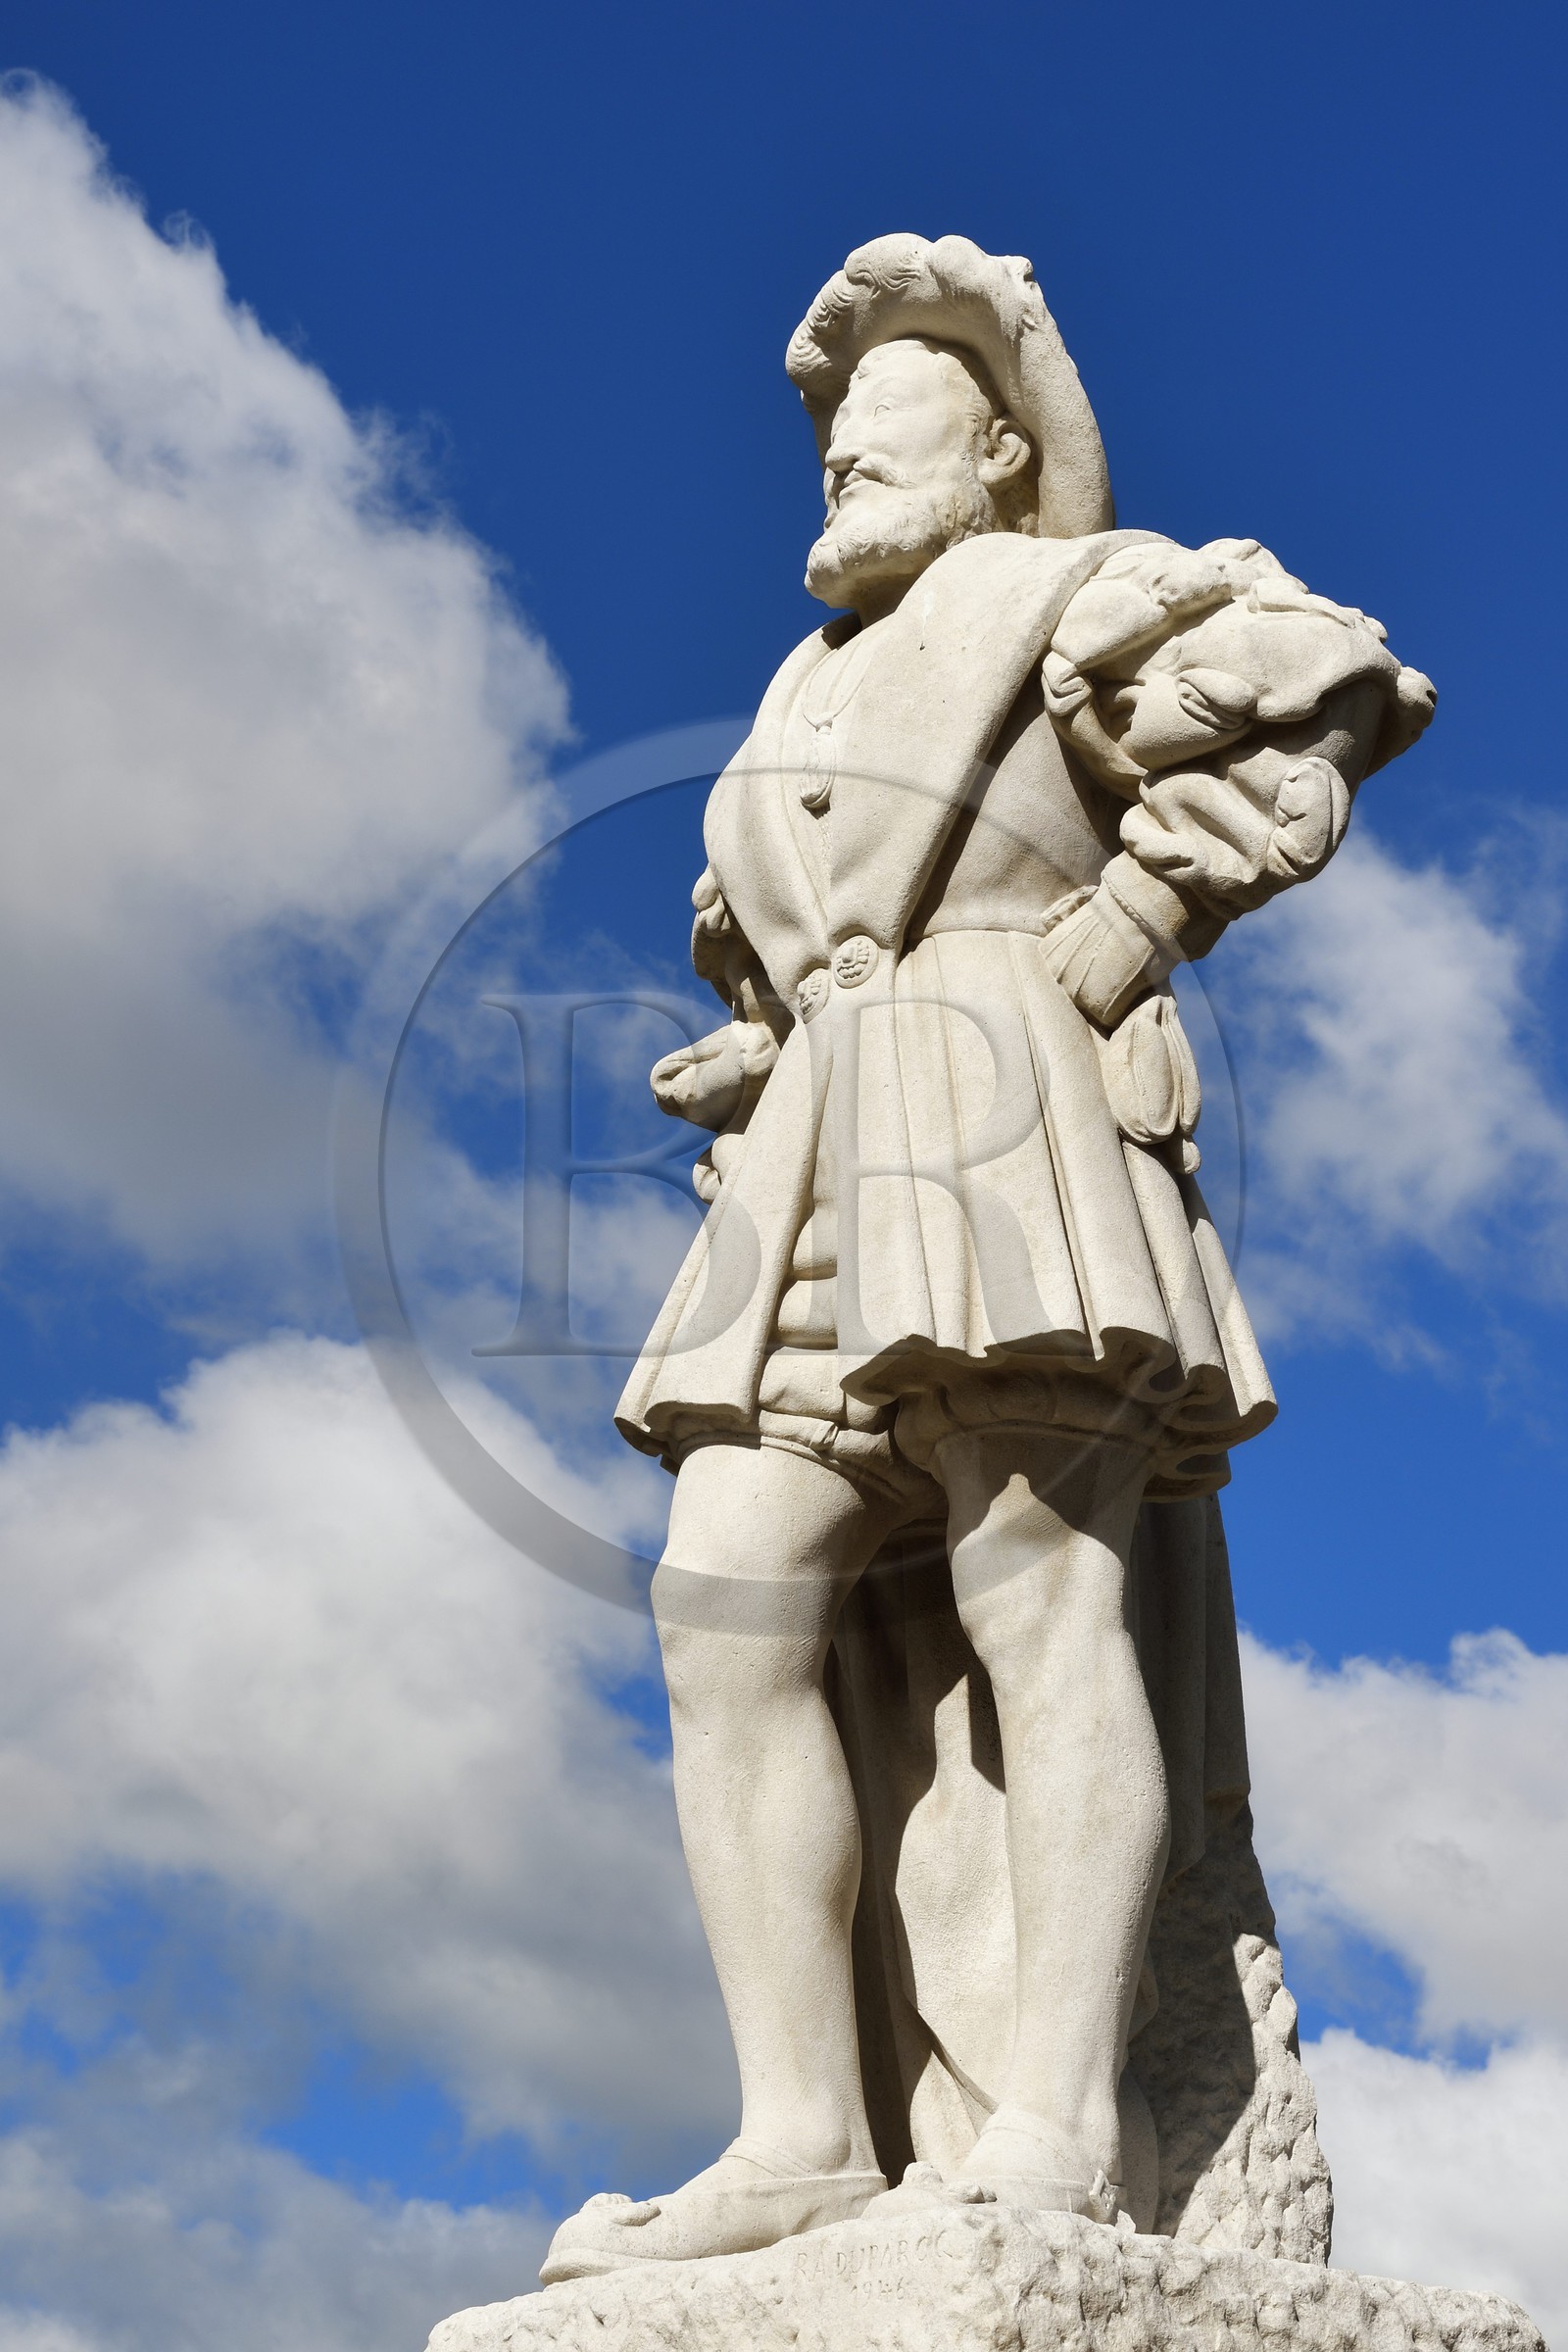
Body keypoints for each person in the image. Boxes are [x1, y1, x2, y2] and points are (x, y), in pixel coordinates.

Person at [542, 233, 1432, 2283]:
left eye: (886, 430)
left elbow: (1333, 693)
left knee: (1042, 1598)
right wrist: (763, 1052)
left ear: (998, 452)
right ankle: (801, 2133)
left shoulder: (1078, 592)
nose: (841, 462)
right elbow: (810, 931)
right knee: (726, 1605)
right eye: (830, 441)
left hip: (1009, 1106)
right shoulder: (796, 690)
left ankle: (1056, 2117)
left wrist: (1136, 921)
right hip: (817, 1157)